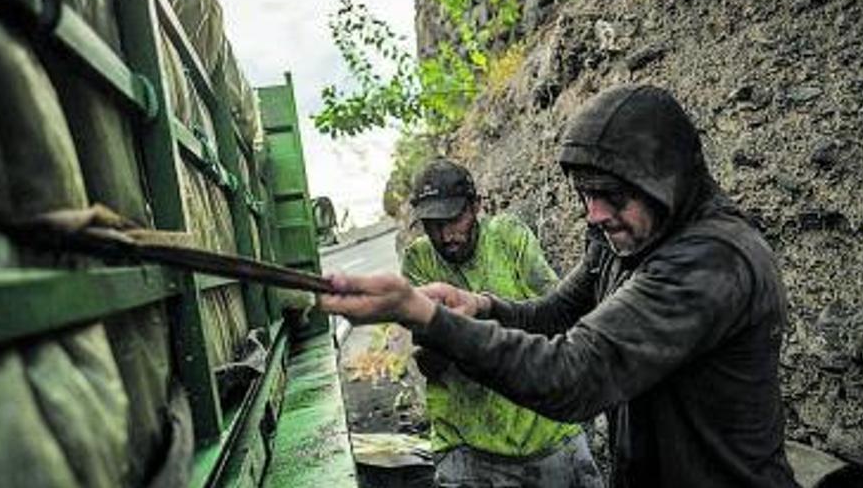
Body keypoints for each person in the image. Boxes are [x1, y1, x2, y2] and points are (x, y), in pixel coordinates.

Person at [321, 84, 801, 488]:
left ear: (665, 181)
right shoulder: (625, 240)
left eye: (610, 195)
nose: (593, 214)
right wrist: (479, 305)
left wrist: (423, 315)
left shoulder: (711, 262)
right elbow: (553, 312)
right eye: (586, 195)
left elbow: (573, 374)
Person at [403, 158, 603, 487]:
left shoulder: (508, 237)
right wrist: (441, 335)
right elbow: (429, 364)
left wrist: (476, 319)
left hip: (545, 430)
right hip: (466, 442)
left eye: (454, 218)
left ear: (476, 207)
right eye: (432, 224)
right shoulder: (418, 260)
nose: (446, 235)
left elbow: (555, 315)